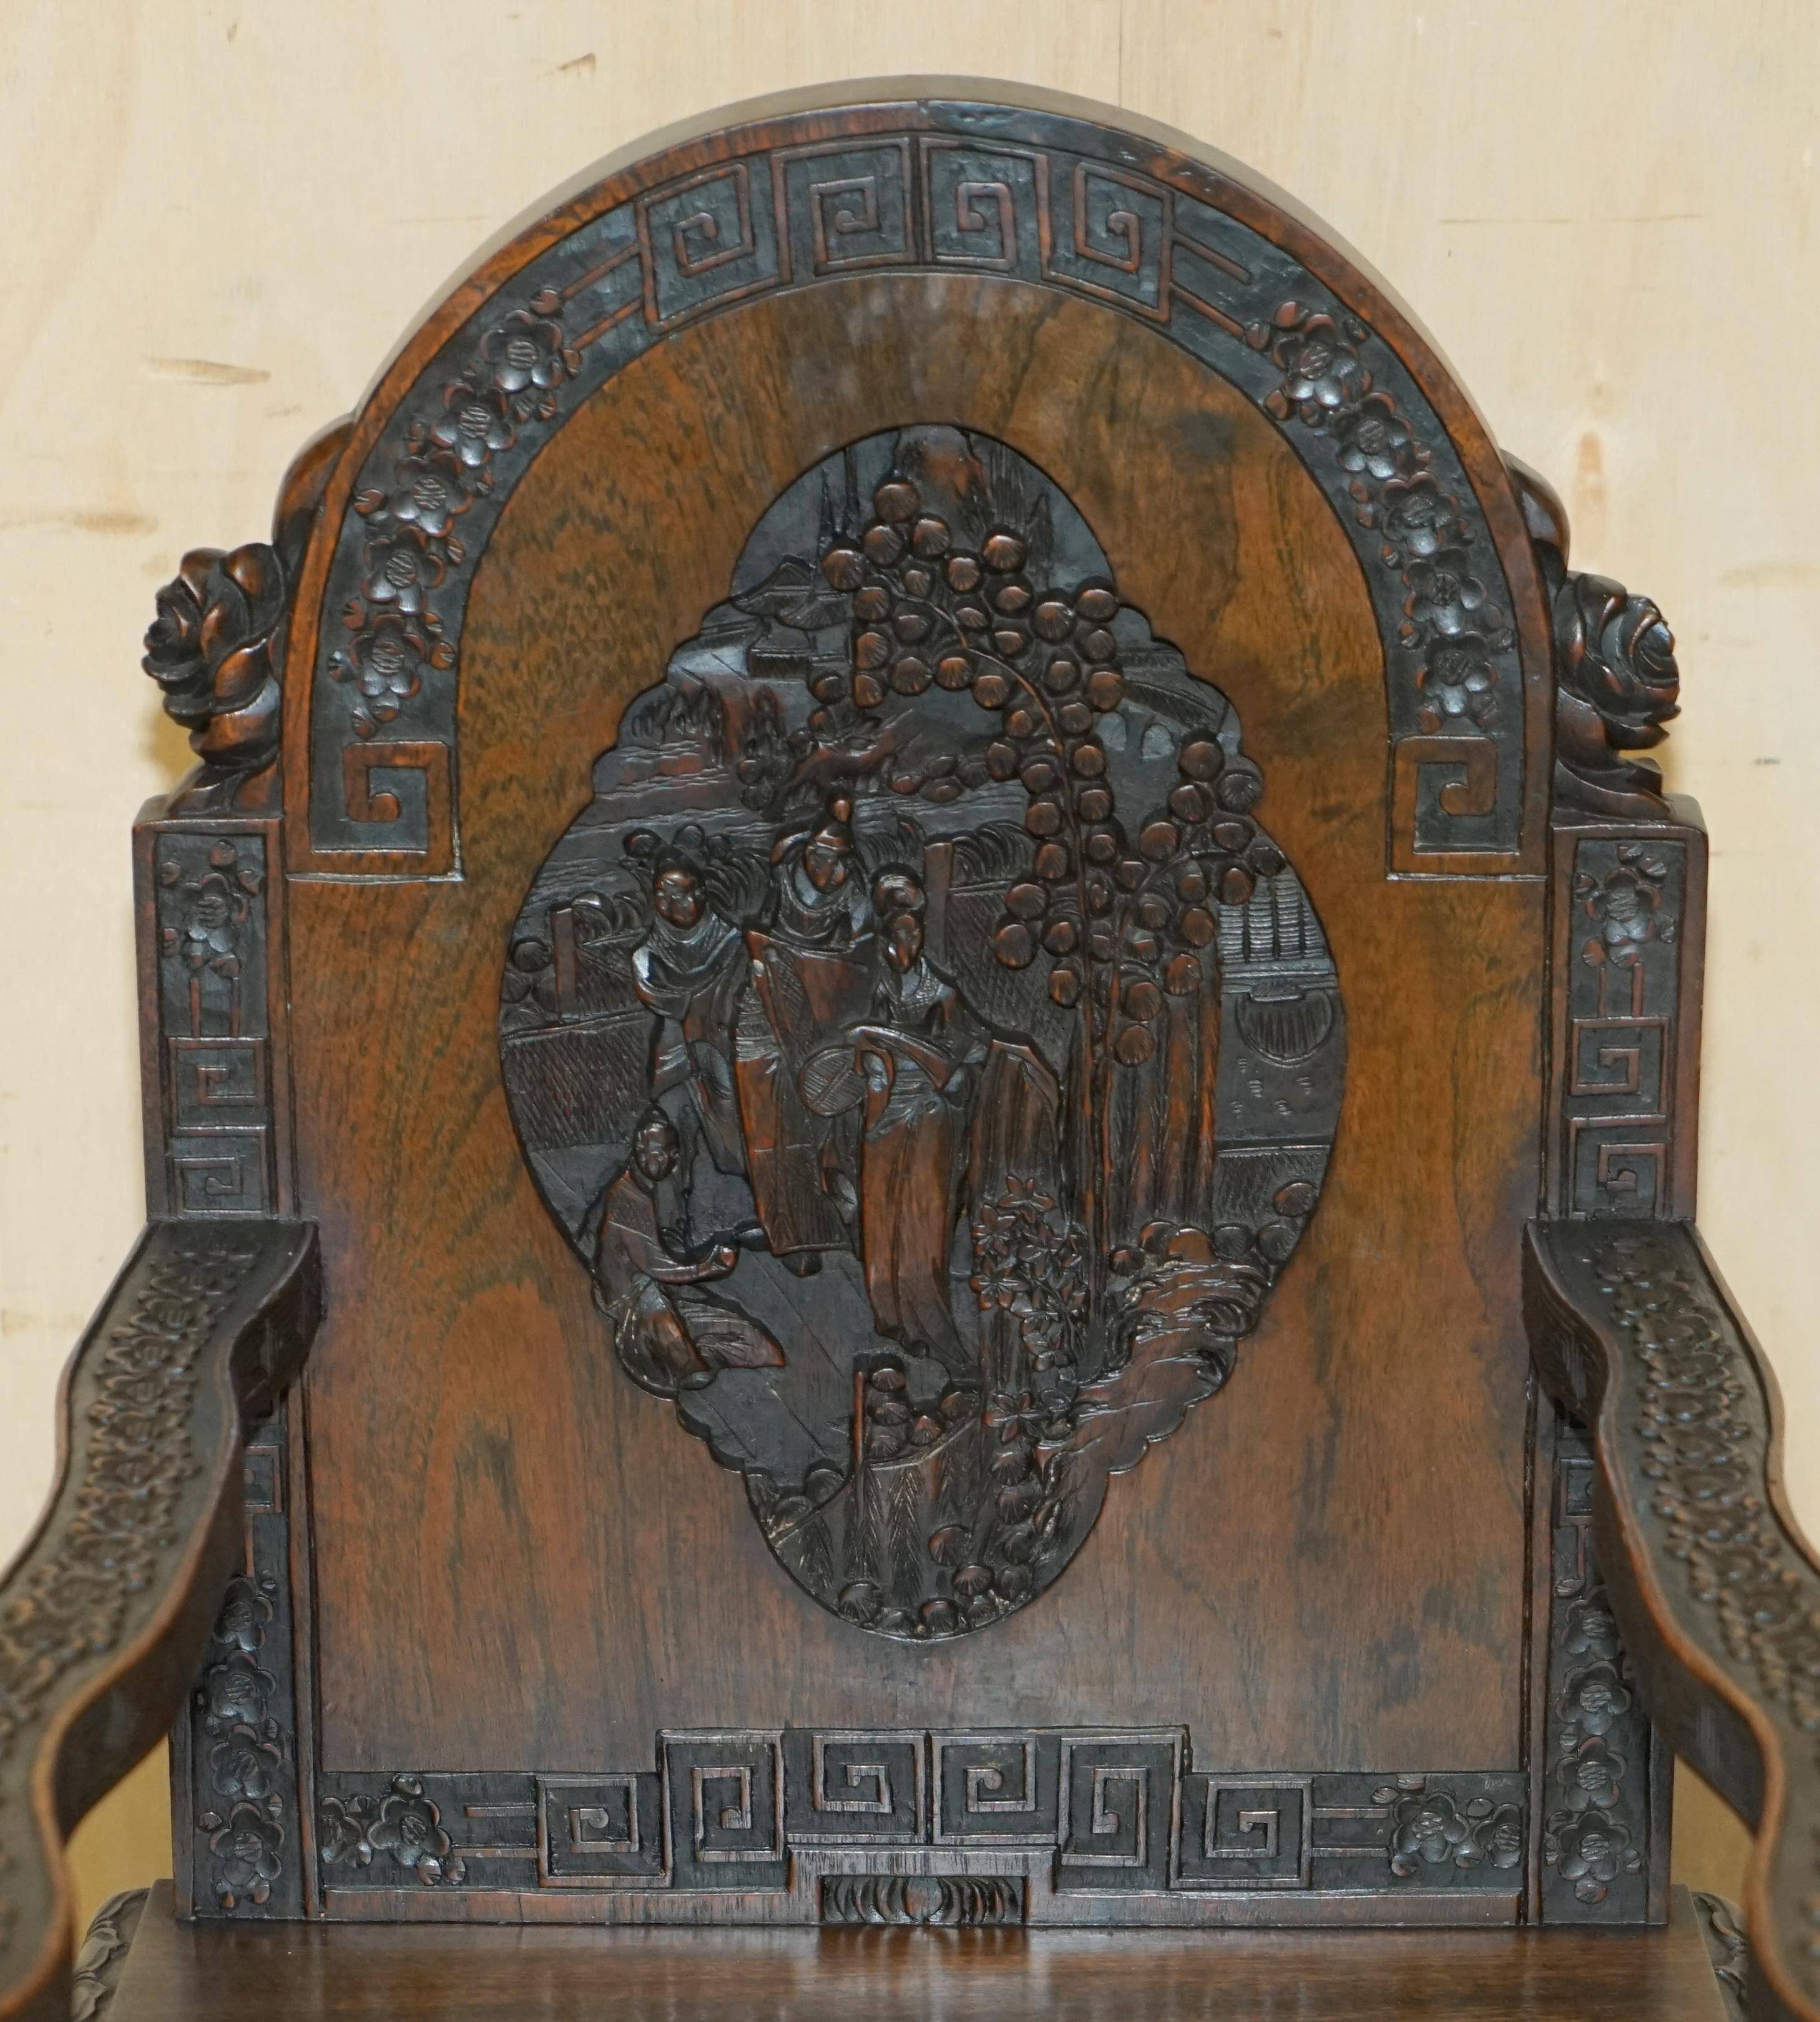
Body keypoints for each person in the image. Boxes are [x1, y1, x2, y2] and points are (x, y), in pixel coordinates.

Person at [592, 1109, 782, 1397]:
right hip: (636, 1304)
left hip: (668, 1295)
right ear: (640, 1152)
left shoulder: (649, 1190)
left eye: (671, 1152)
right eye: (656, 1152)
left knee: (758, 1347)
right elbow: (656, 1266)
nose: (664, 1160)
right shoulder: (626, 1197)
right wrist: (709, 1267)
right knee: (690, 1369)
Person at [628, 845, 746, 1176]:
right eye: (661, 895)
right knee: (672, 1113)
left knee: (729, 1112)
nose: (669, 904)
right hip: (675, 1051)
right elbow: (663, 996)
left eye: (679, 894)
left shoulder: (731, 943)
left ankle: (736, 1178)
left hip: (721, 1042)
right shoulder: (648, 955)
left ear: (701, 893)